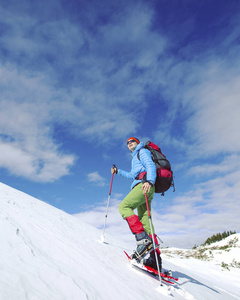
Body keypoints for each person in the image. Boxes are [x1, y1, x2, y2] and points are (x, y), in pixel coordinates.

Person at [111, 137, 162, 271]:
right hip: (144, 186)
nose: (129, 143)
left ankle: (142, 240)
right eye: (127, 142)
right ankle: (155, 259)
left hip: (144, 185)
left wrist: (150, 181)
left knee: (124, 207)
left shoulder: (142, 152)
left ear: (137, 143)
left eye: (132, 141)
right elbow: (132, 175)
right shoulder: (135, 158)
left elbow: (150, 166)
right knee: (145, 220)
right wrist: (118, 172)